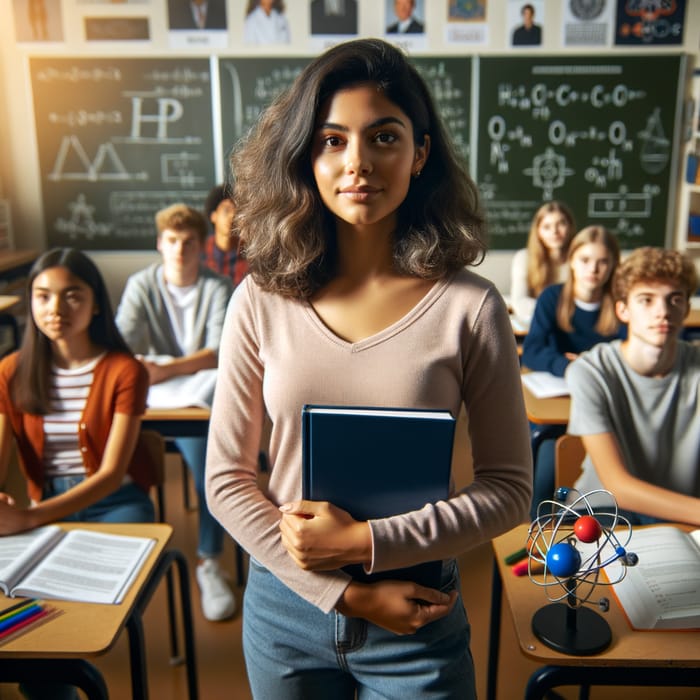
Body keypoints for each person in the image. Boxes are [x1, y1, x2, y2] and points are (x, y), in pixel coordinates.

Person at [205, 38, 532, 699]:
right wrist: (343, 593)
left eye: (384, 137)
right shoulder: (260, 299)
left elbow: (509, 488)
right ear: (305, 155)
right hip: (284, 609)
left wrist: (365, 542)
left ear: (420, 153)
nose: (357, 163)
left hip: (415, 609)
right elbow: (227, 481)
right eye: (331, 140)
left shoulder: (469, 307)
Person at [0, 248, 156, 700]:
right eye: (43, 296)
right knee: (32, 630)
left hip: (118, 506)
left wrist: (31, 517)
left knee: (78, 610)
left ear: (96, 303)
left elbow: (110, 475)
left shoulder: (124, 370)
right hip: (46, 505)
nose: (56, 310)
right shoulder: (11, 372)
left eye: (72, 296)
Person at [115, 203, 236, 622]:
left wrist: (165, 368)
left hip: (194, 396)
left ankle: (209, 561)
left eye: (188, 242)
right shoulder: (141, 285)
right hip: (152, 398)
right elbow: (123, 345)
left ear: (202, 246)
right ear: (159, 244)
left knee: (208, 473)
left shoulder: (219, 286)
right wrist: (162, 368)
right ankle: (131, 559)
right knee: (121, 463)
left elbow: (222, 352)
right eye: (171, 241)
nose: (180, 250)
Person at [567, 247, 700, 527]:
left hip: (682, 518)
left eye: (674, 299)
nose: (662, 312)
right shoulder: (590, 371)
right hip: (604, 514)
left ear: (686, 308)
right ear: (623, 309)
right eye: (646, 300)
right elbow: (618, 487)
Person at [522, 225, 622, 518]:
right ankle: (538, 520)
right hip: (560, 397)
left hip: (607, 398)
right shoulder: (553, 297)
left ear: (613, 264)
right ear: (571, 260)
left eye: (603, 261)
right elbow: (532, 350)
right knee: (548, 449)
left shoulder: (619, 303)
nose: (593, 269)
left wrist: (590, 365)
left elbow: (627, 351)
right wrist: (569, 366)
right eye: (585, 260)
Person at [509, 200, 575, 324]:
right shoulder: (523, 258)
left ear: (570, 226)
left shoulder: (581, 259)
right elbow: (519, 302)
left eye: (561, 224)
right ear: (538, 231)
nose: (554, 231)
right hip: (538, 325)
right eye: (547, 227)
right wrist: (560, 311)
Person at [201, 183, 249, 287]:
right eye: (226, 210)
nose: (232, 216)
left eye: (238, 211)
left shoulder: (251, 254)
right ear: (213, 216)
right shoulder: (200, 252)